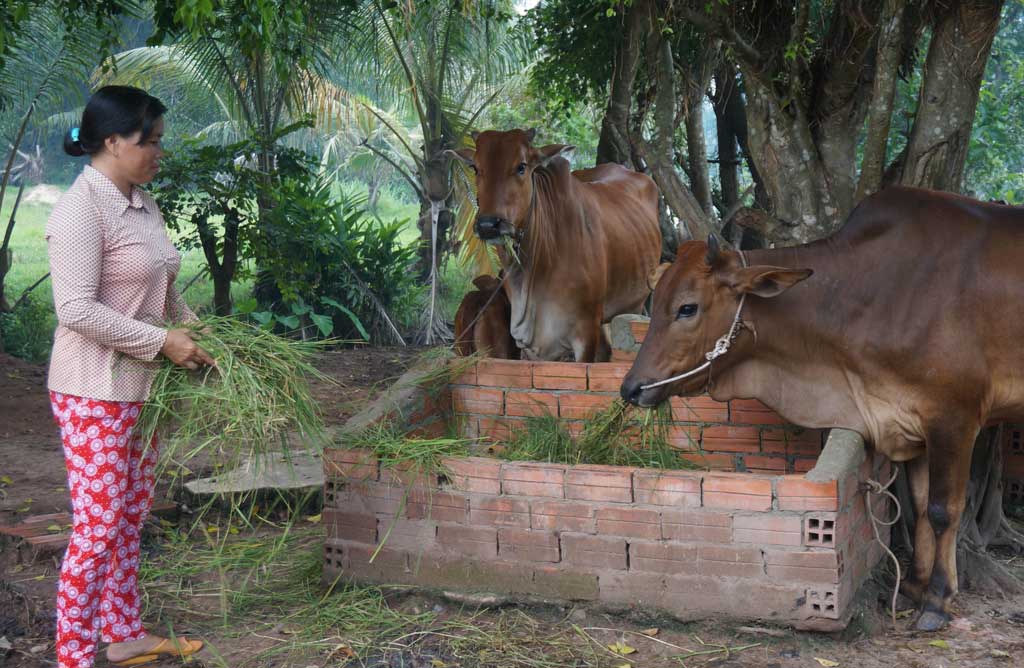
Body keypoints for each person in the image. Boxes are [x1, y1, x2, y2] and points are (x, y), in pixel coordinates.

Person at [46, 85, 214, 668]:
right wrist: (162, 342)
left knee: (128, 517)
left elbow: (161, 290)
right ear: (114, 142)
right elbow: (75, 309)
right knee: (96, 528)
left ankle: (122, 635)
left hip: (145, 387)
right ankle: (72, 655)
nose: (159, 153)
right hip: (93, 389)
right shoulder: (80, 209)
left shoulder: (141, 201)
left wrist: (198, 333)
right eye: (152, 142)